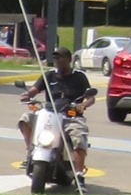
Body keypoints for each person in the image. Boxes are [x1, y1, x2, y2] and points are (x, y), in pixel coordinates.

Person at [18, 47, 95, 178]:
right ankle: (30, 151)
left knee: (78, 137)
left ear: (69, 60)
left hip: (71, 116)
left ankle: (79, 174)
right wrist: (27, 95)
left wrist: (83, 105)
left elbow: (91, 98)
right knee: (25, 119)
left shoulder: (79, 76)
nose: (57, 60)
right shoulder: (49, 75)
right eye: (55, 58)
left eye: (60, 57)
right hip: (50, 114)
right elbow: (34, 90)